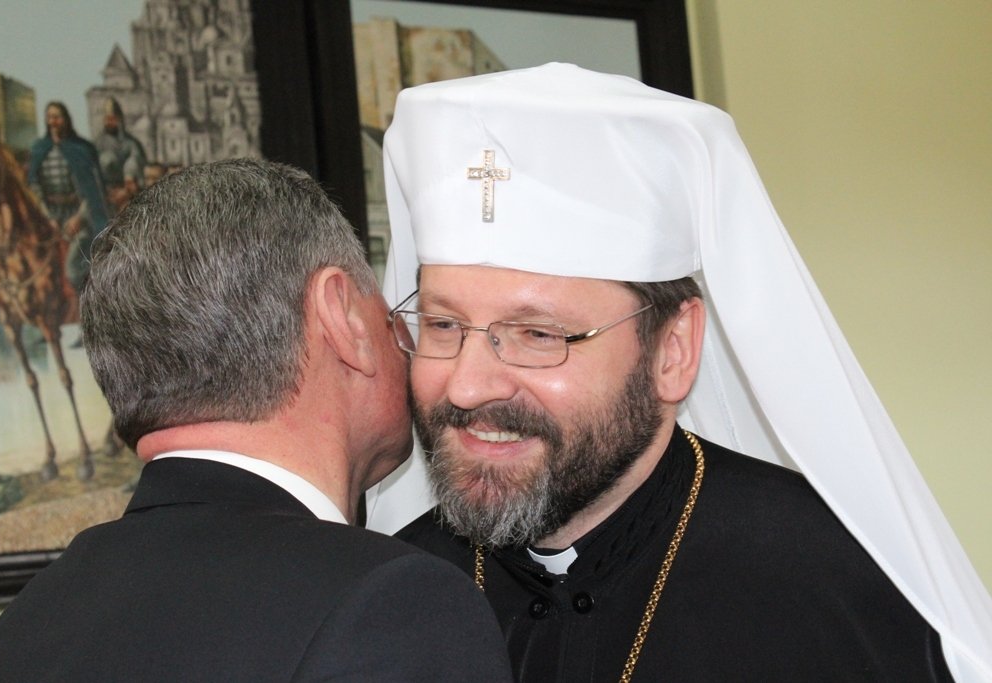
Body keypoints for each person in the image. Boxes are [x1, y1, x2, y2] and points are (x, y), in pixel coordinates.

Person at [366, 64, 992, 681]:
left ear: (672, 349)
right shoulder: (386, 591)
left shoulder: (839, 583)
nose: (467, 386)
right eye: (442, 325)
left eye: (539, 335)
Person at [0, 159, 512, 682]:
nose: (405, 339)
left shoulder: (23, 627)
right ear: (341, 316)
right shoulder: (390, 606)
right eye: (392, 312)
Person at [28, 101, 110, 296]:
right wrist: (48, 217)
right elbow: (34, 186)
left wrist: (79, 218)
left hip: (80, 217)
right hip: (48, 216)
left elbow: (92, 190)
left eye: (57, 117)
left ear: (66, 119)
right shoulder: (39, 149)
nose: (53, 121)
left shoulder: (82, 149)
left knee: (74, 270)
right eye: (50, 117)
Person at [93, 97, 148, 212]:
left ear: (119, 119)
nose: (109, 122)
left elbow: (137, 165)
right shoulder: (97, 144)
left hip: (128, 195)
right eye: (107, 119)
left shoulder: (132, 143)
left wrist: (127, 188)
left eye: (113, 119)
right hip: (105, 195)